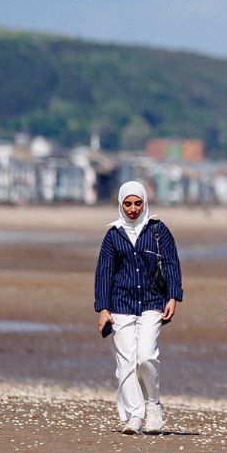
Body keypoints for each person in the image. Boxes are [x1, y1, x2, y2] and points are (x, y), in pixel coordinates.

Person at [95, 181, 183, 434]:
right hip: (120, 304)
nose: (133, 209)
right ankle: (134, 415)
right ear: (121, 205)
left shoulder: (158, 230)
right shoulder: (113, 235)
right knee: (125, 363)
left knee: (145, 357)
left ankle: (153, 404)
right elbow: (104, 273)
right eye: (128, 204)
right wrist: (103, 309)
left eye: (137, 203)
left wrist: (173, 297)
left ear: (144, 203)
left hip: (152, 302)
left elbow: (171, 264)